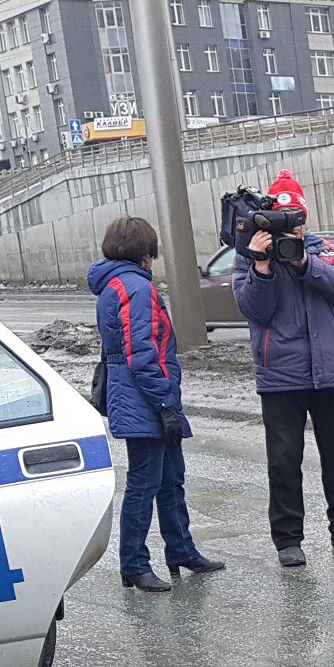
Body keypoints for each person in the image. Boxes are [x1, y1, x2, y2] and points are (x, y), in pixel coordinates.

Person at [231, 167, 334, 568]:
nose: (290, 230)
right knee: (283, 459)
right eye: (283, 221)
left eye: (295, 220)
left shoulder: (323, 250)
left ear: (304, 218)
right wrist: (262, 268)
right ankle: (288, 539)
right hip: (280, 374)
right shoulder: (249, 255)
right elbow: (253, 310)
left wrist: (304, 264)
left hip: (329, 370)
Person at [88, 216, 224, 594]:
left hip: (137, 395)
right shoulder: (135, 288)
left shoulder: (113, 285)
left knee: (169, 479)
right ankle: (134, 563)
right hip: (146, 398)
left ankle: (181, 550)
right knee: (146, 484)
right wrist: (165, 401)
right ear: (146, 254)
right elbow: (141, 352)